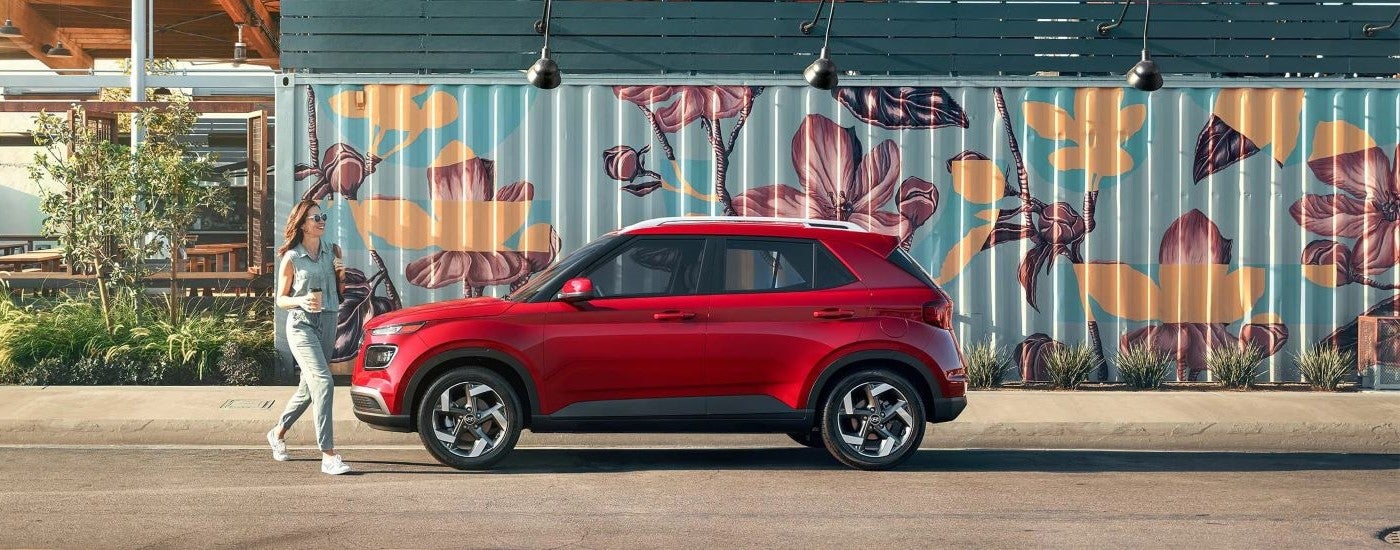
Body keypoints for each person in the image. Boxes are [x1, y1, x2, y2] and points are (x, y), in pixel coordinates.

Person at [266, 199, 351, 475]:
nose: (321, 221)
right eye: (316, 218)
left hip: (328, 321)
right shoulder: (292, 258)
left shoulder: (332, 251)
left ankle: (277, 432)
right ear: (303, 224)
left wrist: (341, 274)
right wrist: (301, 301)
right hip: (301, 326)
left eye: (323, 216)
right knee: (324, 382)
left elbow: (340, 292)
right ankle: (328, 454)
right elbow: (280, 299)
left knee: (308, 388)